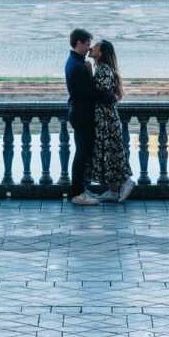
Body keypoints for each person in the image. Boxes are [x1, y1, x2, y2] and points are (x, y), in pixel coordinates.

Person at [65, 27, 116, 206]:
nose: (88, 48)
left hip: (80, 113)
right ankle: (77, 193)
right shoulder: (78, 66)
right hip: (82, 115)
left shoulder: (76, 62)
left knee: (83, 154)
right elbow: (88, 93)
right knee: (81, 154)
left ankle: (79, 190)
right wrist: (109, 96)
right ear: (78, 43)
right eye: (87, 44)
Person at [88, 40, 135, 203]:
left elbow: (100, 93)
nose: (91, 48)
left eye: (94, 47)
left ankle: (126, 182)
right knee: (109, 153)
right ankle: (113, 191)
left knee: (112, 152)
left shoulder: (103, 69)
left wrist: (87, 75)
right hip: (105, 117)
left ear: (100, 53)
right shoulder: (103, 69)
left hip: (106, 118)